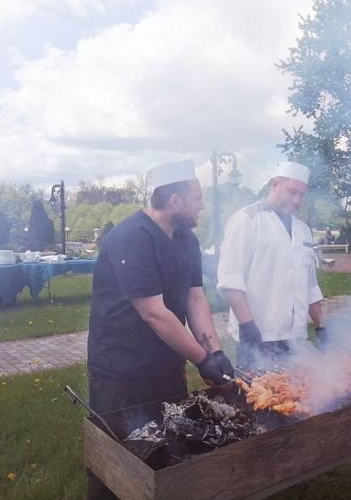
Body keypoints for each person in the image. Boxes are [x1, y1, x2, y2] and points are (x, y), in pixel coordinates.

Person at [87, 160, 234, 500]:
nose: (202, 205)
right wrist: (201, 359)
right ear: (175, 201)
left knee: (170, 447)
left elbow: (195, 299)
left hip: (167, 364)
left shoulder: (186, 240)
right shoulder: (130, 238)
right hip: (121, 371)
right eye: (197, 197)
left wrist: (213, 351)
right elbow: (154, 313)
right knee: (116, 455)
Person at [217, 161, 327, 369]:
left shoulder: (303, 229)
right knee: (259, 398)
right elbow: (231, 280)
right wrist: (247, 325)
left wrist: (322, 326)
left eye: (301, 195)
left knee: (294, 397)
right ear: (274, 185)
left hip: (295, 339)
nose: (297, 200)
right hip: (258, 337)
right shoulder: (246, 219)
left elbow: (310, 285)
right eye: (292, 192)